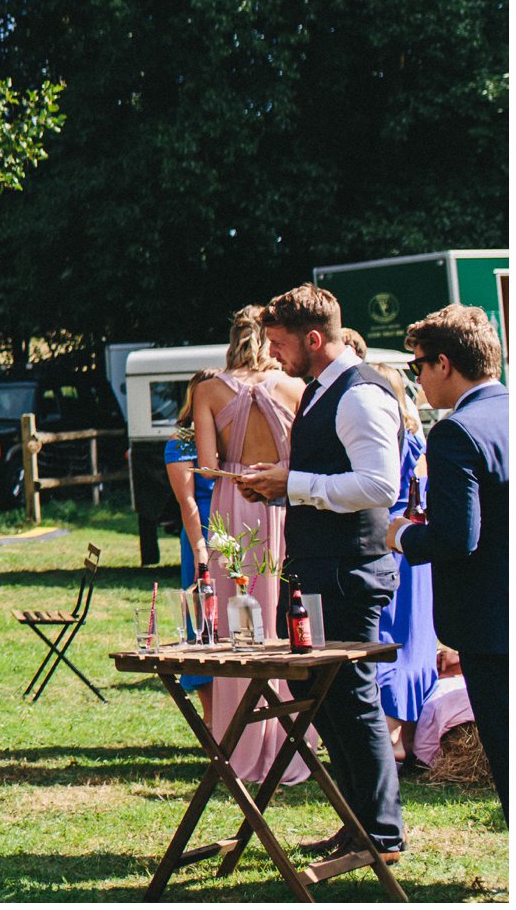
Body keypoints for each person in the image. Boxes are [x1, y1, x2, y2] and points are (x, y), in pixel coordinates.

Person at [239, 285, 405, 863]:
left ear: (314, 339)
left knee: (350, 697)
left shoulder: (360, 395)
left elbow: (383, 486)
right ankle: (359, 820)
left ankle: (381, 834)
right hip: (318, 564)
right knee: (317, 692)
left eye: (281, 344)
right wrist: (280, 478)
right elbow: (335, 471)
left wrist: (296, 484)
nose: (275, 356)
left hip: (350, 569)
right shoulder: (321, 389)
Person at [391, 304, 507, 815]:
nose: (417, 379)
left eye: (417, 366)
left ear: (443, 364)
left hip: (490, 624)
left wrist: (399, 537)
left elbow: (458, 539)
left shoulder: (455, 432)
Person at [194, 307, 308, 785]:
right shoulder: (296, 388)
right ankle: (290, 747)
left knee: (237, 625)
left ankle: (238, 747)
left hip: (235, 505)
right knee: (286, 618)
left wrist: (239, 470)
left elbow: (205, 464)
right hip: (286, 503)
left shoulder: (208, 389)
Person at [371, 363, 436, 762]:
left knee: (389, 638)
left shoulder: (383, 440)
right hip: (418, 549)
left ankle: (391, 736)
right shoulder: (416, 438)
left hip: (390, 541)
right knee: (415, 639)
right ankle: (408, 737)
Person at [164, 369, 220, 720]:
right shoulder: (182, 442)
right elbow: (187, 502)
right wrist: (200, 545)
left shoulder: (231, 436)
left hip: (237, 532)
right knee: (202, 621)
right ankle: (214, 721)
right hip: (200, 533)